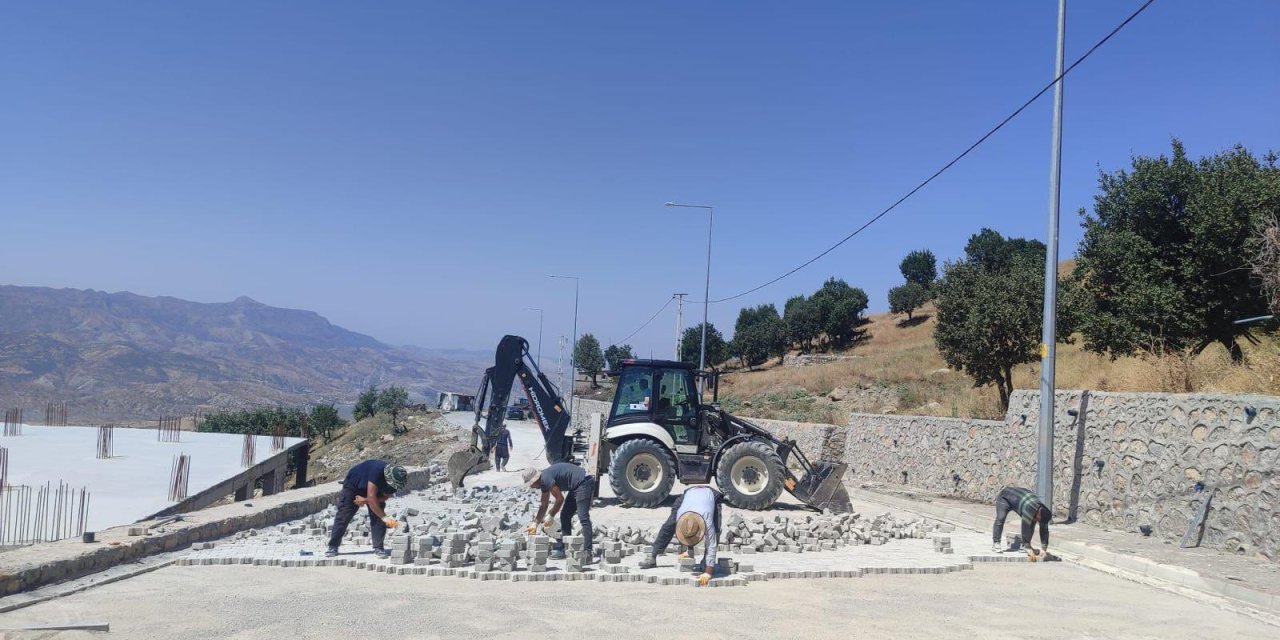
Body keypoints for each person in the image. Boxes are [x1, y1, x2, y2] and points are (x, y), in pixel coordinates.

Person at [638, 485, 724, 586]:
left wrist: (708, 572)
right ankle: (652, 556)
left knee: (716, 530)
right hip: (688, 494)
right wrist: (689, 549)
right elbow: (687, 529)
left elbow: (711, 543)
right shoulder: (680, 516)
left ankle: (706, 561)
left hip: (711, 495)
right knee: (668, 525)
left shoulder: (706, 519)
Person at [326, 459, 407, 558]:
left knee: (378, 513)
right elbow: (372, 497)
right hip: (354, 485)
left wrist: (364, 500)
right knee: (343, 515)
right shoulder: (377, 471)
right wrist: (389, 521)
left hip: (372, 491)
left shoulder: (394, 481)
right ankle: (333, 546)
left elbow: (384, 497)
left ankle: (379, 547)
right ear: (388, 477)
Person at [523, 462, 595, 562]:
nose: (531, 487)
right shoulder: (543, 482)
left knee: (583, 517)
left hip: (584, 482)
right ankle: (566, 548)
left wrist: (551, 515)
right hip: (576, 486)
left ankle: (588, 552)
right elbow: (544, 506)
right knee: (565, 515)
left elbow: (560, 499)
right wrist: (535, 523)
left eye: (531, 484)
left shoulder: (546, 478)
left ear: (535, 479)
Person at [992, 486, 1051, 555]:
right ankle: (996, 542)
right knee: (1000, 518)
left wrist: (1044, 549)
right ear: (1038, 514)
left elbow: (1044, 530)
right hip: (1005, 497)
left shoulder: (1044, 513)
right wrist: (1028, 547)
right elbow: (1026, 526)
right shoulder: (1029, 507)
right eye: (1039, 519)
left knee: (1032, 521)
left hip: (1019, 499)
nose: (1039, 521)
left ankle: (1024, 546)